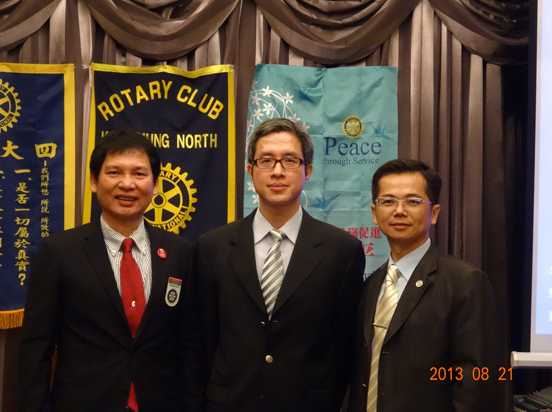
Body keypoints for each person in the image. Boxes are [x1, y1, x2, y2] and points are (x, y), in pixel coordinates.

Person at [19, 129, 199, 412]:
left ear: (156, 185)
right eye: (114, 172)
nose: (127, 184)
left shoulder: (180, 253)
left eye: (139, 174)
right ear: (93, 181)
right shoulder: (60, 252)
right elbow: (36, 346)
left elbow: (189, 346)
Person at [195, 118, 365, 412]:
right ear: (250, 170)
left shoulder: (342, 251)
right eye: (266, 161)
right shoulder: (212, 247)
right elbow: (203, 340)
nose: (277, 171)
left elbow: (344, 346)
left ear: (307, 171)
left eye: (289, 160)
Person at [347, 159, 502, 412]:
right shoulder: (371, 285)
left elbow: (479, 380)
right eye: (388, 201)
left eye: (413, 201)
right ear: (374, 213)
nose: (399, 210)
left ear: (435, 213)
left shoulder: (465, 281)